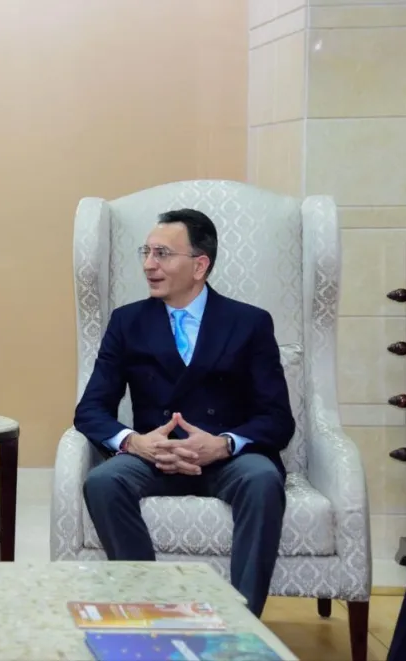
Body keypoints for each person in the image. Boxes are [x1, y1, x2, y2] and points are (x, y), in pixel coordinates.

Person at [74, 208, 294, 618]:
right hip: (153, 458)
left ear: (200, 265)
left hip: (227, 459)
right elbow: (90, 410)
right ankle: (150, 611)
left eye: (162, 253)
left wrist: (225, 444)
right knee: (103, 482)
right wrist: (134, 442)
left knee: (263, 480)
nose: (148, 264)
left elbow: (278, 418)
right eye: (146, 252)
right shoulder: (127, 322)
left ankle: (241, 622)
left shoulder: (249, 323)